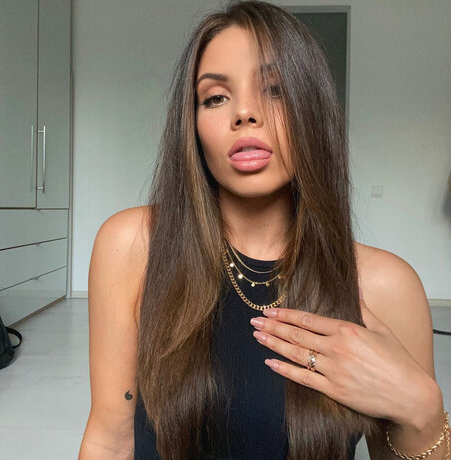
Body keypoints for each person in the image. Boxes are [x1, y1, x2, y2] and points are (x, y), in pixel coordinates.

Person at [78, 1, 449, 459]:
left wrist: (424, 411)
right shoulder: (133, 245)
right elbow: (109, 439)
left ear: (312, 111)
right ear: (193, 127)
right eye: (216, 97)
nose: (245, 113)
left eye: (275, 90)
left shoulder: (386, 287)